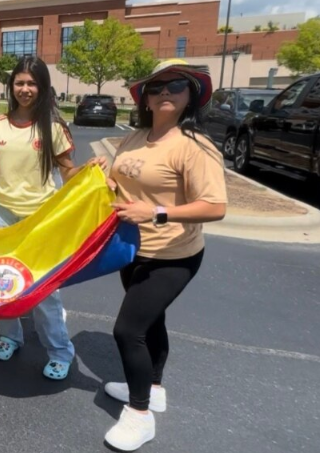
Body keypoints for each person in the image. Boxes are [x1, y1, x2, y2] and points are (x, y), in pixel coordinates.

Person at [102, 59, 227, 452]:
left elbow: (215, 206)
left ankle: (140, 416)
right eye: (157, 88)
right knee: (151, 322)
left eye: (176, 86)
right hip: (133, 249)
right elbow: (124, 180)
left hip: (174, 255)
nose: (166, 93)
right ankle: (152, 388)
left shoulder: (194, 146)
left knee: (127, 330)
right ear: (147, 99)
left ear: (191, 95)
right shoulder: (136, 136)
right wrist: (104, 176)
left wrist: (155, 212)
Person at [0, 57, 106, 381]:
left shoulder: (53, 128)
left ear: (43, 87)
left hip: (42, 217)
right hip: (3, 214)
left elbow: (68, 170)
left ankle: (60, 352)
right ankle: (10, 336)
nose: (25, 89)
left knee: (44, 290)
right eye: (20, 83)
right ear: (11, 86)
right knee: (2, 282)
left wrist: (88, 169)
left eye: (32, 83)